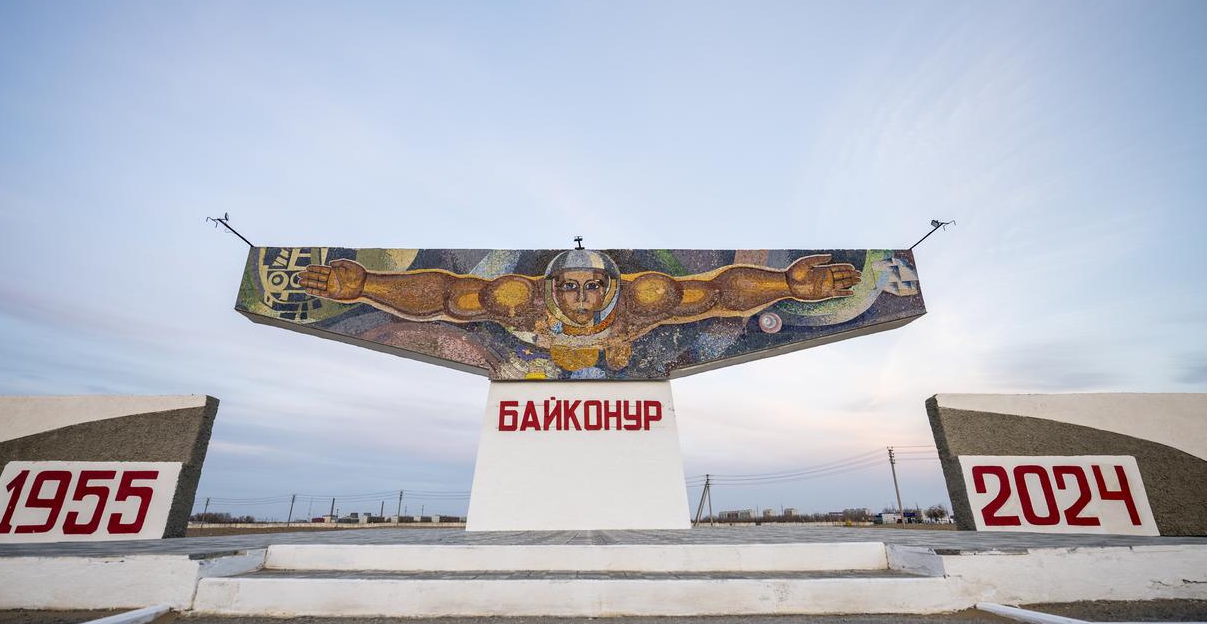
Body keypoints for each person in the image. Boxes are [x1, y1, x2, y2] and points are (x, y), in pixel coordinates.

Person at [298, 248, 859, 372]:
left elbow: (718, 293)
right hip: (534, 346)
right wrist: (366, 284)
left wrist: (787, 284)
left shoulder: (645, 297)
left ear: (611, 285)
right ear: (552, 288)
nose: (583, 299)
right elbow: (445, 295)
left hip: (624, 345)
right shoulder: (516, 299)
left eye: (592, 287)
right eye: (570, 288)